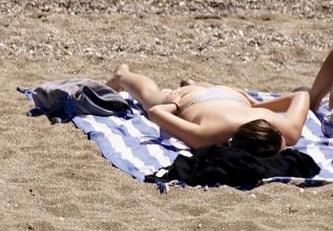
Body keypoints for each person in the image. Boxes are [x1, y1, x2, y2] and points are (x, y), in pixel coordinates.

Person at [108, 62, 310, 154]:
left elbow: (301, 95)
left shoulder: (286, 130)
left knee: (164, 96)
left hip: (232, 95)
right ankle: (122, 75)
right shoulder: (206, 136)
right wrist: (175, 103)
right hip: (197, 100)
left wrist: (255, 105)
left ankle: (194, 84)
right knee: (151, 98)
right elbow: (156, 113)